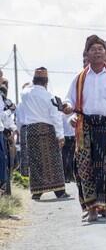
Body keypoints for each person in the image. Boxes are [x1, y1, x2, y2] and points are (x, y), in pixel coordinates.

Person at [64, 35, 106, 222]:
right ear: (87, 53)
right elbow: (70, 100)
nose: (97, 51)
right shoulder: (80, 78)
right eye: (93, 49)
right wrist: (70, 112)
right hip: (85, 127)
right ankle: (92, 210)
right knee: (85, 169)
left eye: (100, 49)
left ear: (105, 52)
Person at [15, 67, 68, 200]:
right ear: (46, 81)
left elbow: (22, 105)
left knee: (35, 160)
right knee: (54, 160)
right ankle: (59, 190)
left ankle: (37, 191)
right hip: (48, 129)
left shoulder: (25, 94)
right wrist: (60, 136)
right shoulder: (49, 96)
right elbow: (55, 116)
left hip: (31, 130)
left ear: (34, 79)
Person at [62, 112, 76, 183]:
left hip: (73, 137)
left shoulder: (74, 113)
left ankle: (71, 176)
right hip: (65, 137)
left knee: (71, 158)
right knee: (65, 158)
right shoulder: (61, 114)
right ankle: (67, 176)